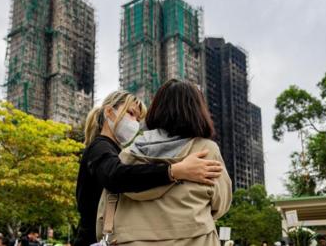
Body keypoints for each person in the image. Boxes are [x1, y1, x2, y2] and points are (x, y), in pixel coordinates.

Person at [74, 90, 224, 246]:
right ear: (109, 112)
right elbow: (115, 176)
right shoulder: (100, 146)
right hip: (92, 239)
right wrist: (174, 171)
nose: (135, 123)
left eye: (138, 119)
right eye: (131, 114)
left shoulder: (116, 150)